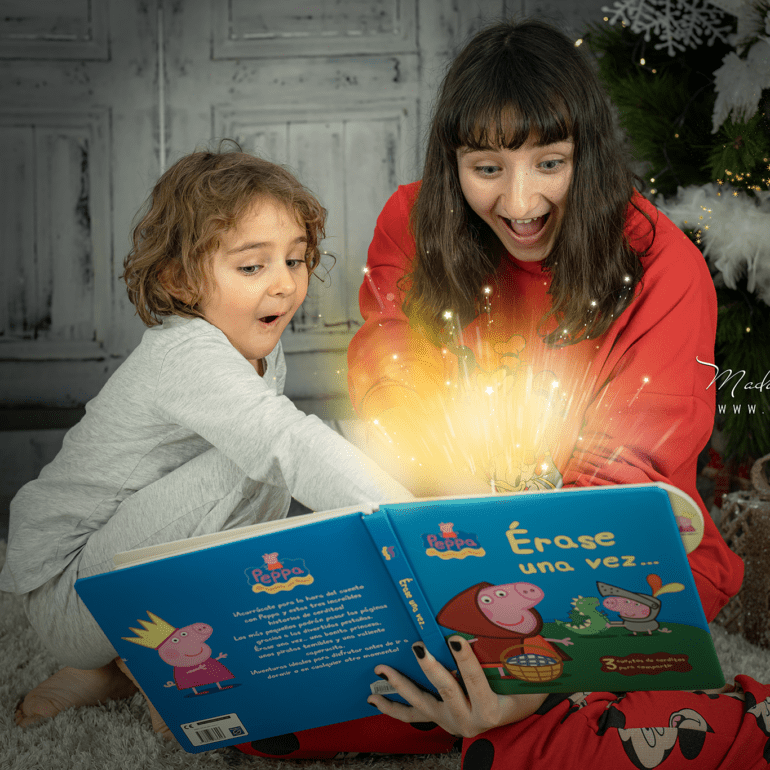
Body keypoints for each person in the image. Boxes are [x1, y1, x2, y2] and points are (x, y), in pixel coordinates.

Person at [341, 16, 769, 770]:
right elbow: (388, 373)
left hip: (614, 561)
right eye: (487, 168)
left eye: (550, 162)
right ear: (452, 165)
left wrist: (533, 679)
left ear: (589, 156)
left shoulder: (664, 266)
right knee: (307, 707)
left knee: (529, 733)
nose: (521, 200)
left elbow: (627, 476)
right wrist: (456, 503)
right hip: (450, 542)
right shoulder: (411, 224)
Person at [2, 145, 418, 740]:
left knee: (271, 458)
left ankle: (121, 666)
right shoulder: (187, 353)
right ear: (179, 278)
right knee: (263, 457)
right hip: (72, 594)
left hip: (126, 585)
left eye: (295, 261)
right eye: (252, 268)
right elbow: (290, 446)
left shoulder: (252, 343)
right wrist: (406, 528)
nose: (284, 285)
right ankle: (146, 665)